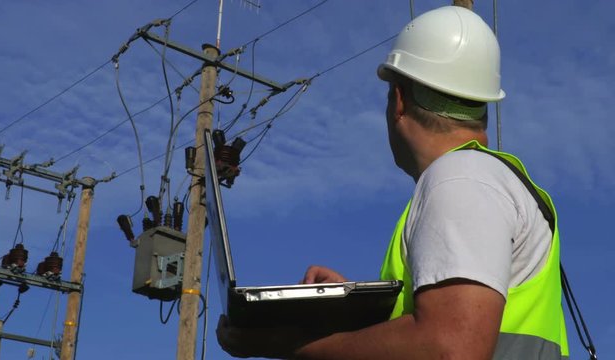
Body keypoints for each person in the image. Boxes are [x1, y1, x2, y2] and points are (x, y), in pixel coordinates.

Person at [217, 6, 568, 359]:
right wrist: (363, 312)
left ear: (398, 100)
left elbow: (451, 347)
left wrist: (290, 345)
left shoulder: (459, 180)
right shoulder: (485, 181)